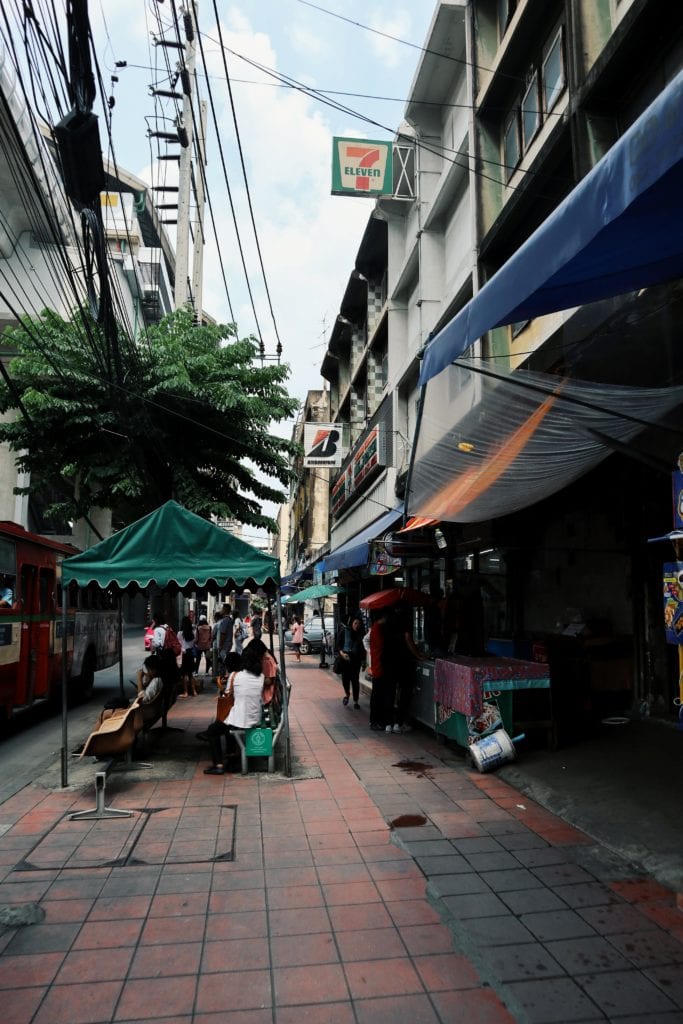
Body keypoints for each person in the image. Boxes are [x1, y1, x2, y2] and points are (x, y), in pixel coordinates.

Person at [203, 642, 265, 775]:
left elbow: (228, 695)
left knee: (212, 730)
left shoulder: (235, 676)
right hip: (255, 719)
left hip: (239, 721)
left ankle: (218, 764)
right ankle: (232, 756)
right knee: (228, 724)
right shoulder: (262, 677)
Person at [387, 604, 427, 734]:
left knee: (391, 693)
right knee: (405, 693)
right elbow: (408, 639)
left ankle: (389, 724)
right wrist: (418, 655)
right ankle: (399, 723)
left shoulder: (388, 621)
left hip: (391, 661)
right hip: (404, 662)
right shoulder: (405, 621)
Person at [368, 609, 392, 731]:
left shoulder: (375, 628)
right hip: (379, 667)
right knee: (377, 695)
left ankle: (375, 720)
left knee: (377, 695)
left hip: (377, 666)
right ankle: (375, 721)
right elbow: (381, 647)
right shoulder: (377, 629)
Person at [337, 614, 365, 709]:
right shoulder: (344, 631)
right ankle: (347, 694)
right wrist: (342, 654)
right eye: (355, 623)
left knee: (355, 680)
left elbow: (362, 648)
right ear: (352, 623)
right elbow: (338, 645)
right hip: (345, 658)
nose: (357, 625)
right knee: (345, 680)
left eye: (359, 624)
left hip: (355, 660)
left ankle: (356, 701)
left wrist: (364, 660)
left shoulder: (361, 634)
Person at [178, 616, 198, 697]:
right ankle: (194, 691)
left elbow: (178, 644)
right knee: (190, 674)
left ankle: (186, 692)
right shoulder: (193, 633)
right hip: (190, 654)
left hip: (183, 654)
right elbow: (194, 642)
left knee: (184, 674)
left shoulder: (180, 633)